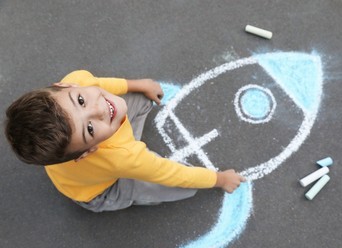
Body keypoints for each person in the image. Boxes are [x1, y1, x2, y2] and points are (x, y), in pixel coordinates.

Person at [5, 70, 245, 212]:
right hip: (99, 191)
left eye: (81, 100)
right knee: (182, 189)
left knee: (140, 100)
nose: (99, 108)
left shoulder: (78, 79)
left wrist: (138, 84)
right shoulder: (122, 156)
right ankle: (126, 197)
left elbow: (100, 84)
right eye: (89, 128)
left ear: (66, 85)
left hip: (80, 165)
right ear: (87, 152)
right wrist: (220, 179)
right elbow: (173, 173)